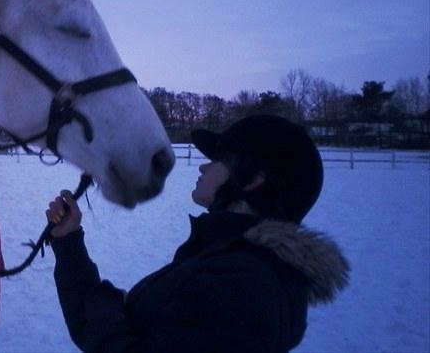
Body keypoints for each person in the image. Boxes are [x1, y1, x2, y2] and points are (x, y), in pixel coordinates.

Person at [46, 114, 350, 353]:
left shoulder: (241, 284)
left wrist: (118, 311)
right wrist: (68, 240)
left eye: (219, 160)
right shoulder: (226, 259)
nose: (204, 167)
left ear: (254, 179)